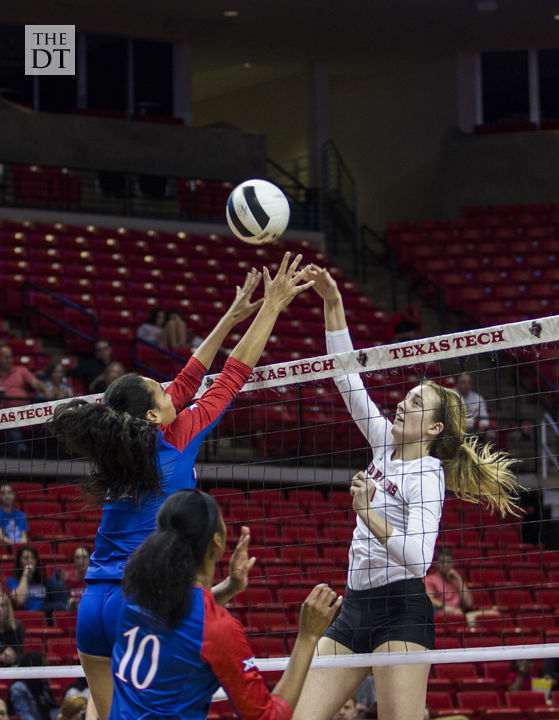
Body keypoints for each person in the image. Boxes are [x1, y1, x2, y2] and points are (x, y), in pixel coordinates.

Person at [50, 257, 314, 720]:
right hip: (140, 600)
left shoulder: (116, 449)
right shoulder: (176, 443)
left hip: (93, 606)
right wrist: (271, 306)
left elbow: (189, 378)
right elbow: (233, 375)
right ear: (154, 416)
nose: (174, 391)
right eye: (162, 391)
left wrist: (229, 318)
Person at [291, 265, 519, 720]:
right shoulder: (382, 440)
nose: (401, 403)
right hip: (354, 606)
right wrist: (332, 302)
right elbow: (345, 377)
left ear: (433, 428)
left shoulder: (428, 474)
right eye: (406, 397)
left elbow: (418, 560)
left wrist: (367, 511)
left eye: (415, 403)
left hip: (401, 610)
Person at [110, 490, 342, 720]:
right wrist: (307, 637)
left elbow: (187, 625)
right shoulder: (218, 628)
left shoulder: (135, 596)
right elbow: (268, 717)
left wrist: (230, 587)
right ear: (217, 540)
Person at [6, 545, 68, 618]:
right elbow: (20, 600)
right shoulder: (12, 580)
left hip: (48, 607)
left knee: (56, 581)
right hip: (33, 611)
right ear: (19, 561)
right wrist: (25, 574)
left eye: (32, 558)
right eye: (26, 558)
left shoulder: (41, 579)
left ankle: (67, 607)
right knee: (60, 607)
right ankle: (67, 608)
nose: (30, 561)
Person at [8, 652, 59, 720]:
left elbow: (52, 709)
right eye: (44, 666)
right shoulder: (18, 688)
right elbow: (24, 715)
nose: (48, 670)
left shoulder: (43, 685)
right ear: (36, 666)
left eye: (48, 666)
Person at [424, 548, 473, 616]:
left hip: (460, 614)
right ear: (436, 564)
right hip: (441, 615)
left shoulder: (456, 581)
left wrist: (459, 579)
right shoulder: (429, 579)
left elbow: (469, 604)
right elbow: (429, 599)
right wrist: (444, 607)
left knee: (491, 613)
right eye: (442, 562)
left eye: (449, 562)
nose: (446, 565)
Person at [456, 373, 497, 444]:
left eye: (469, 382)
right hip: (455, 428)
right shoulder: (451, 395)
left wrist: (482, 426)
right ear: (457, 383)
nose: (466, 385)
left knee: (491, 434)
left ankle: (486, 454)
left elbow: (484, 416)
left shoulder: (477, 398)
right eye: (463, 382)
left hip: (473, 429)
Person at [0, 589, 24, 666]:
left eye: (2, 605)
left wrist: (13, 657)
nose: (0, 609)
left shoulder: (16, 627)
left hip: (12, 668)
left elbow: (20, 654)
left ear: (8, 608)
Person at [65, 546, 90, 611]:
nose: (81, 561)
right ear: (74, 560)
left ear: (89, 559)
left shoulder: (94, 580)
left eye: (84, 557)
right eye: (77, 558)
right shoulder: (67, 578)